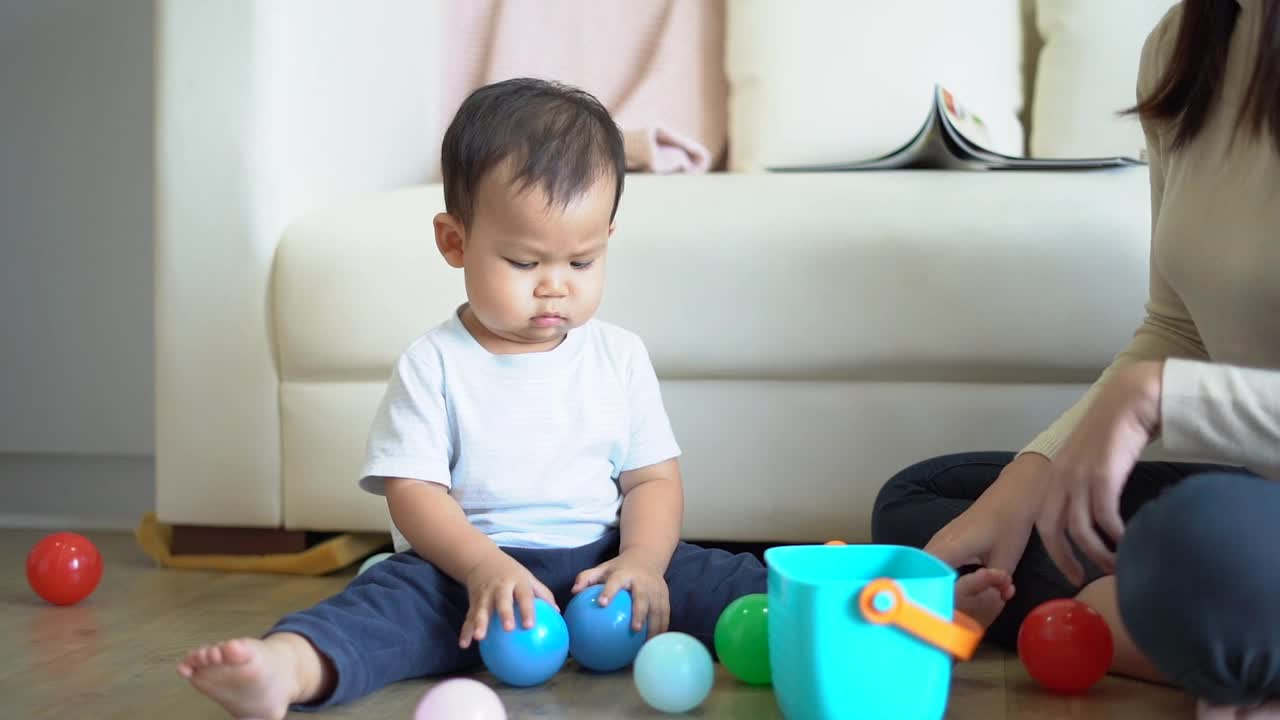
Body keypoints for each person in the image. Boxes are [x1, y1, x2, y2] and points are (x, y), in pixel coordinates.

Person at [173, 78, 773, 719]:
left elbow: (652, 480)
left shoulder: (618, 356)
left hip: (604, 562)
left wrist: (644, 562)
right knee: (389, 609)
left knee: (725, 579)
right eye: (522, 262)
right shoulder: (434, 364)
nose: (554, 289)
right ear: (454, 242)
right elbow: (414, 493)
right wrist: (484, 568)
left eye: (582, 262)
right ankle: (286, 668)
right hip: (465, 568)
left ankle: (848, 616)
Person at [872, 1, 1280, 717]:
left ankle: (1173, 620)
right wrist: (1033, 475)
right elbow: (1177, 323)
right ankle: (1177, 628)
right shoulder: (1185, 41)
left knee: (1198, 547)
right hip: (1256, 493)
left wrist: (1160, 398)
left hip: (1232, 530)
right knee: (925, 510)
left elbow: (1164, 383)